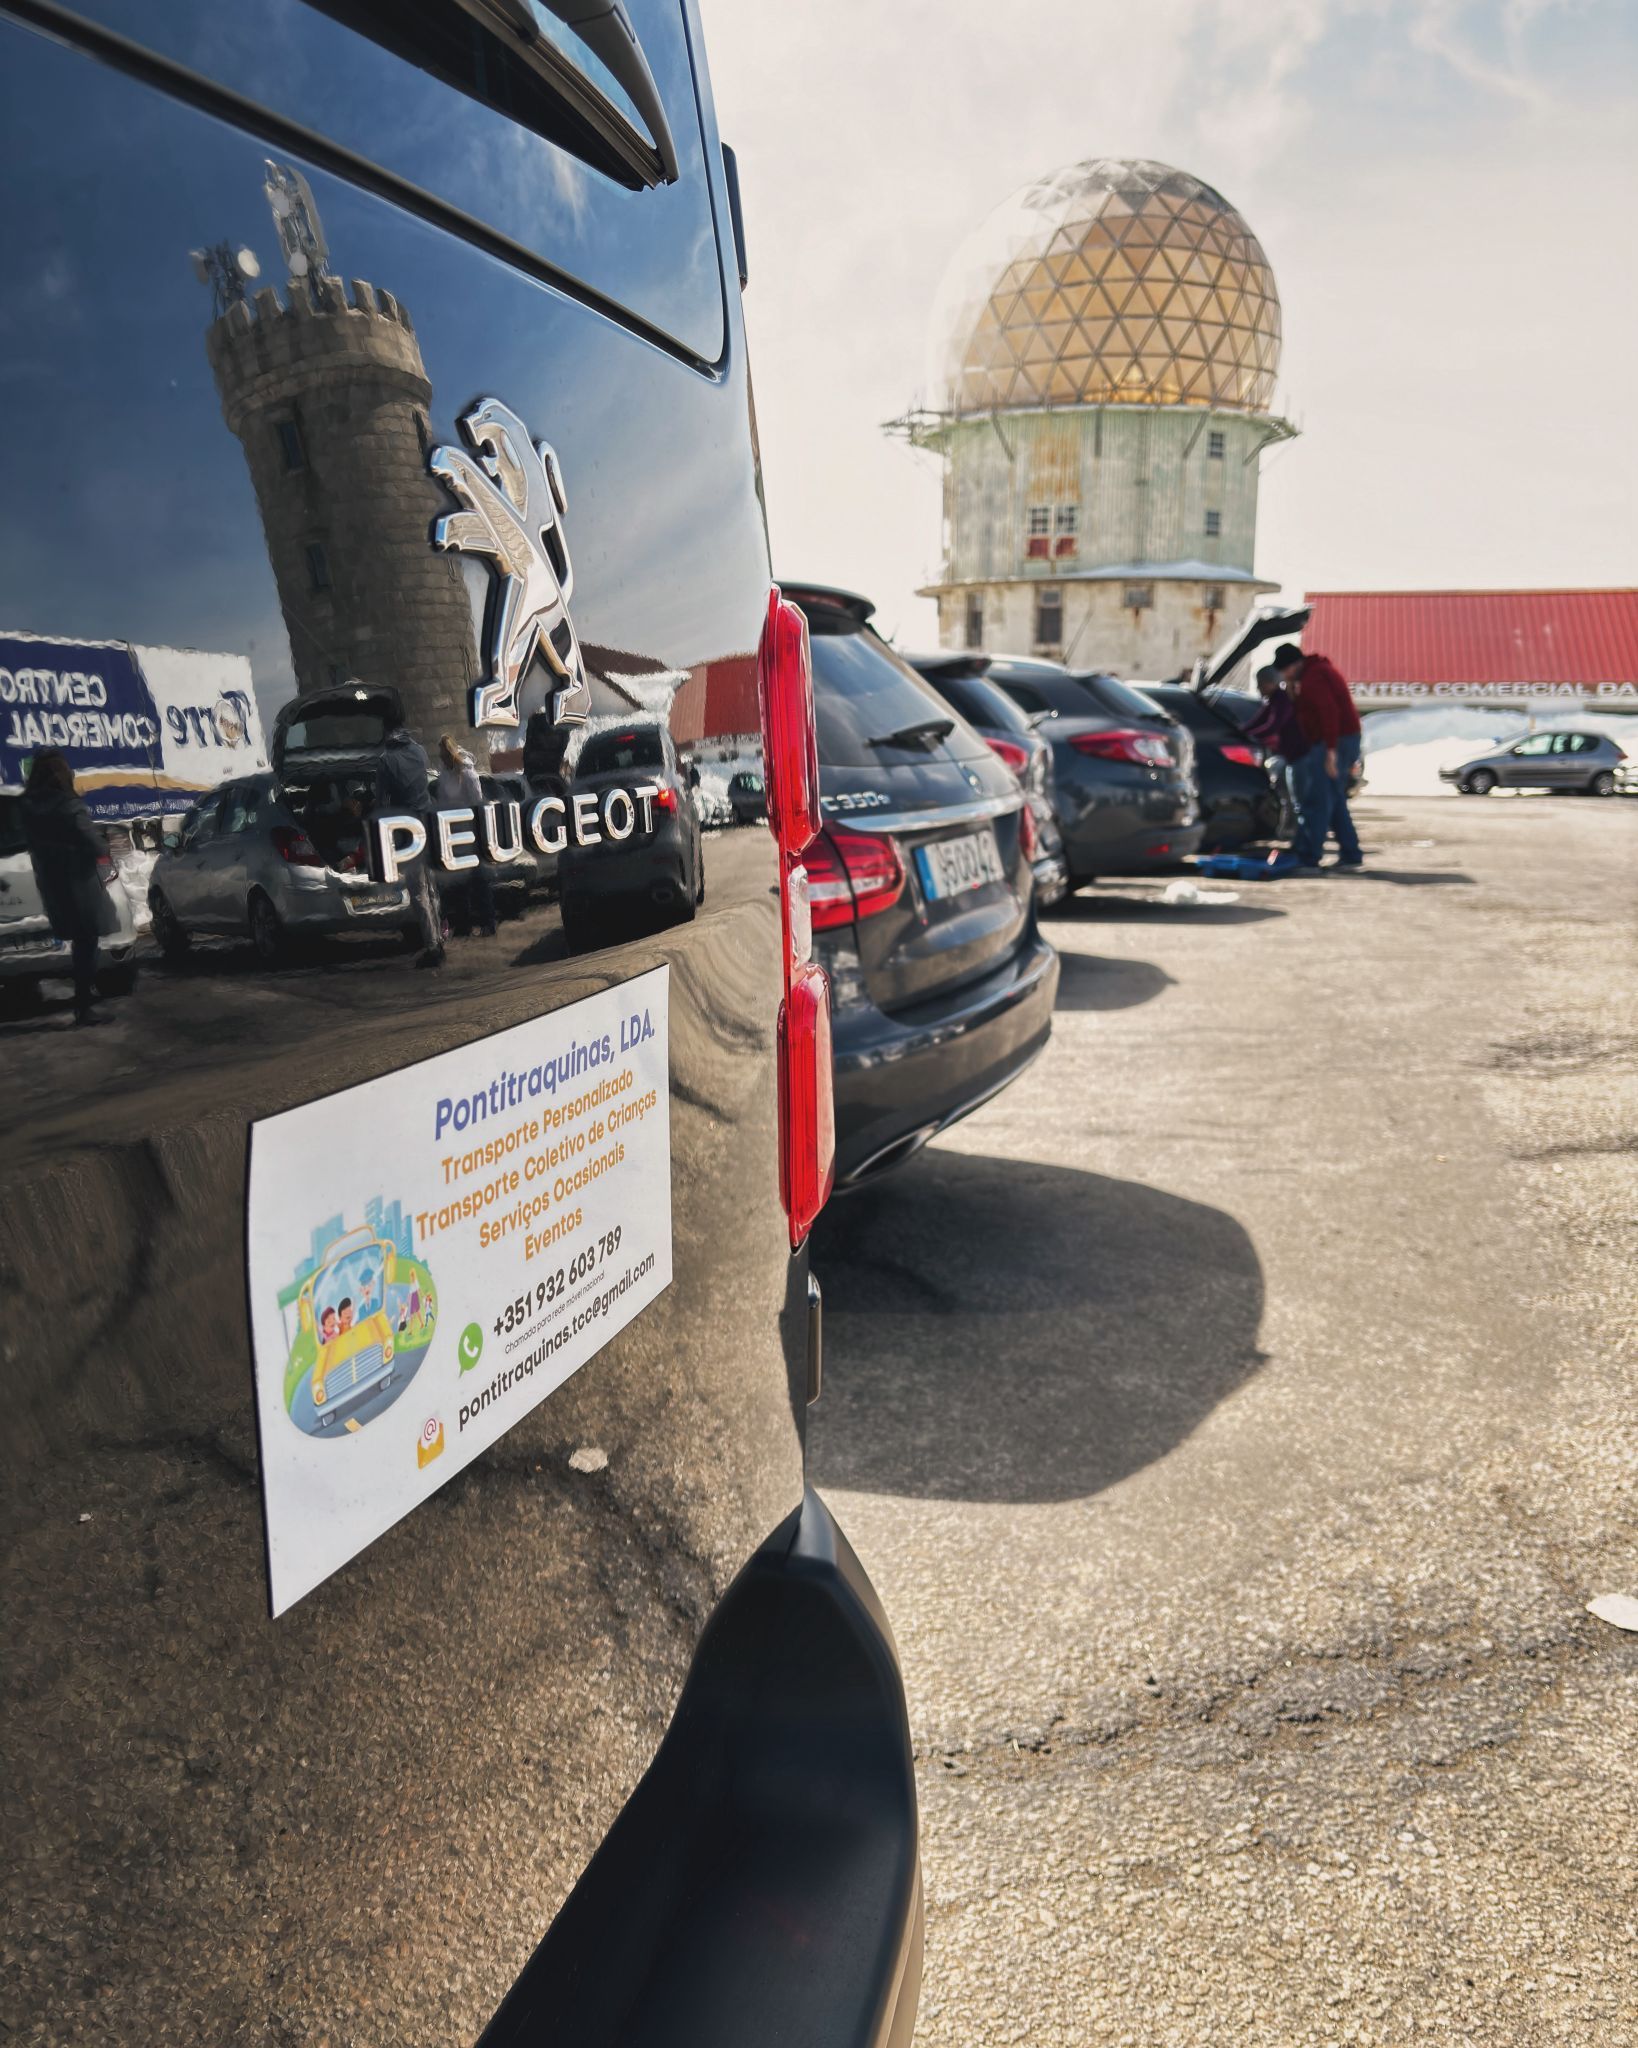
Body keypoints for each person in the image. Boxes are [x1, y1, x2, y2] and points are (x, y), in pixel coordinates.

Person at [20, 749, 118, 1025]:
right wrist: (102, 849)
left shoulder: (27, 807)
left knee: (79, 941)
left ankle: (83, 1003)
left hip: (53, 884)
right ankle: (84, 1006)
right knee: (87, 942)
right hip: (80, 882)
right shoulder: (69, 805)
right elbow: (94, 843)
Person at [1273, 642, 1364, 870]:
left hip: (1334, 741)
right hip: (1339, 739)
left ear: (1294, 665)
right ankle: (1351, 854)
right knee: (1333, 798)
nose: (1283, 675)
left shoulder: (1314, 678)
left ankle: (1309, 857)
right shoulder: (1311, 675)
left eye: (1284, 670)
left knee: (1319, 800)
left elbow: (1329, 713)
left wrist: (1331, 752)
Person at [374, 711, 444, 965]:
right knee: (432, 886)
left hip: (408, 828)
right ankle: (440, 936)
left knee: (418, 892)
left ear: (384, 733)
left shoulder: (385, 761)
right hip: (429, 822)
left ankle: (433, 946)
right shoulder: (419, 752)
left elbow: (382, 803)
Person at [435, 734, 496, 937]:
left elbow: (476, 801)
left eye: (443, 754)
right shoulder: (444, 775)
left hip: (469, 831)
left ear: (448, 754)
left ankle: (488, 923)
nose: (441, 758)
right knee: (459, 883)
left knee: (478, 880)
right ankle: (464, 925)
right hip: (453, 832)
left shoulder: (467, 773)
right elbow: (442, 802)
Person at [1246, 662, 1308, 841]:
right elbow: (1259, 720)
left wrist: (1250, 736)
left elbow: (1272, 725)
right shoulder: (1274, 700)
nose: (1258, 688)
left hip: (1296, 756)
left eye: (1259, 684)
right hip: (1289, 755)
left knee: (1291, 798)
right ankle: (1290, 832)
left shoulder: (1282, 700)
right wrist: (1242, 731)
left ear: (1269, 683)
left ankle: (1294, 834)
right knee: (1287, 797)